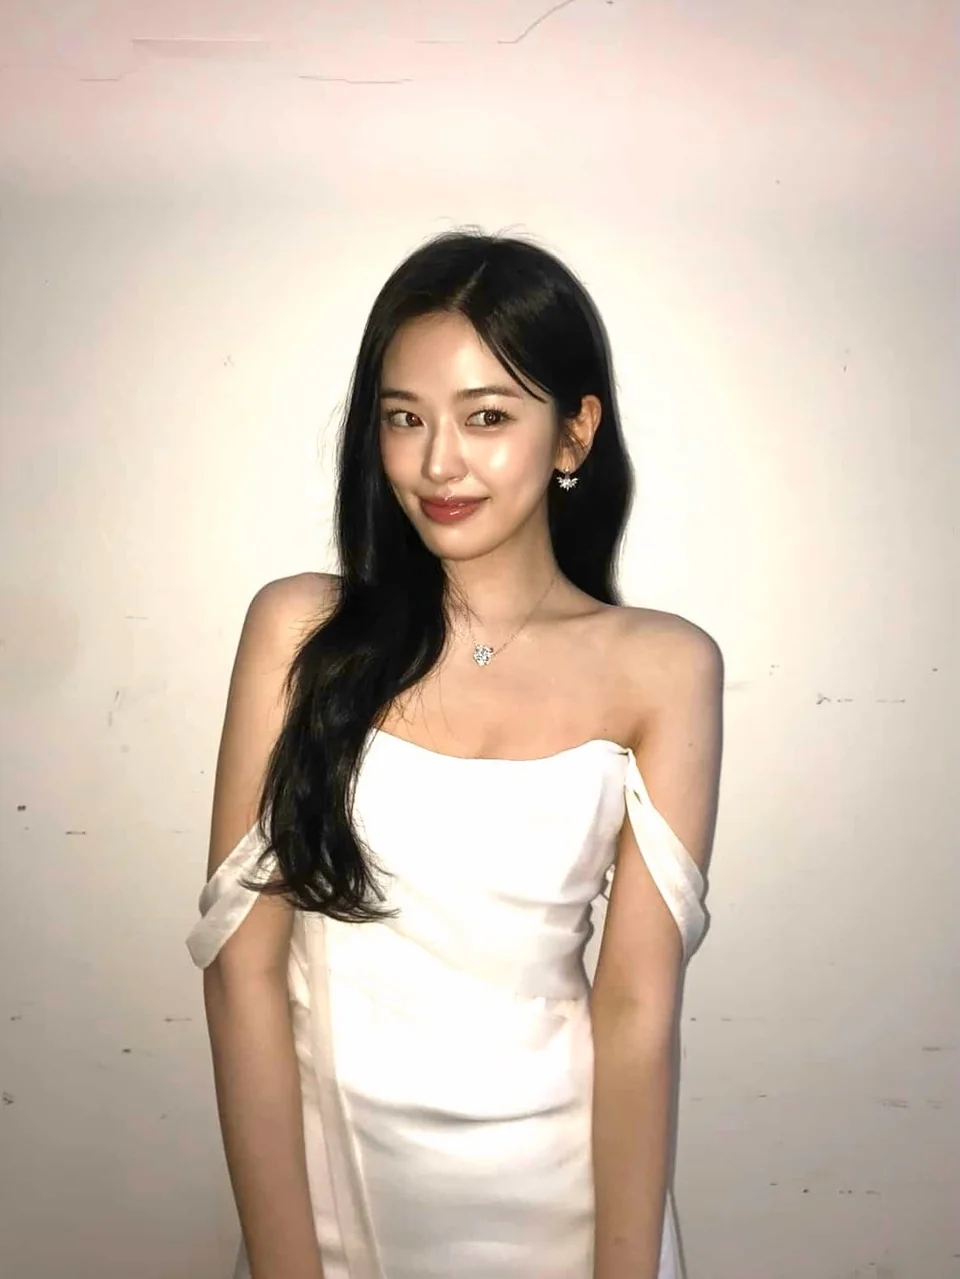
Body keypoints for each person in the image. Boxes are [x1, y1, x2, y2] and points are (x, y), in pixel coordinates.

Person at [186, 229, 723, 1279]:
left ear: (573, 434)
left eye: (487, 416)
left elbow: (635, 1010)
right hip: (335, 1209)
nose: (438, 463)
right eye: (404, 418)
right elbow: (240, 973)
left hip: (573, 1206)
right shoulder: (299, 633)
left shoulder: (663, 666)